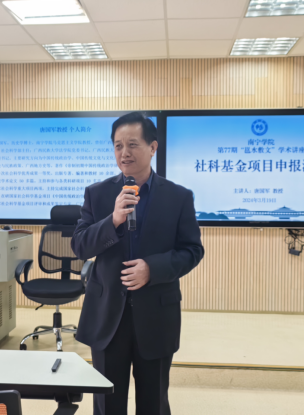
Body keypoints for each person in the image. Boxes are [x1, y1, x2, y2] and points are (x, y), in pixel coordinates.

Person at [71, 112, 204, 415]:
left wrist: (151, 269)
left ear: (153, 147)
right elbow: (80, 246)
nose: (124, 153)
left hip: (156, 316)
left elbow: (192, 250)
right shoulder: (97, 193)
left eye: (132, 144)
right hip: (107, 317)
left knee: (153, 404)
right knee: (107, 404)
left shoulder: (179, 197)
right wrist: (113, 220)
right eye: (118, 146)